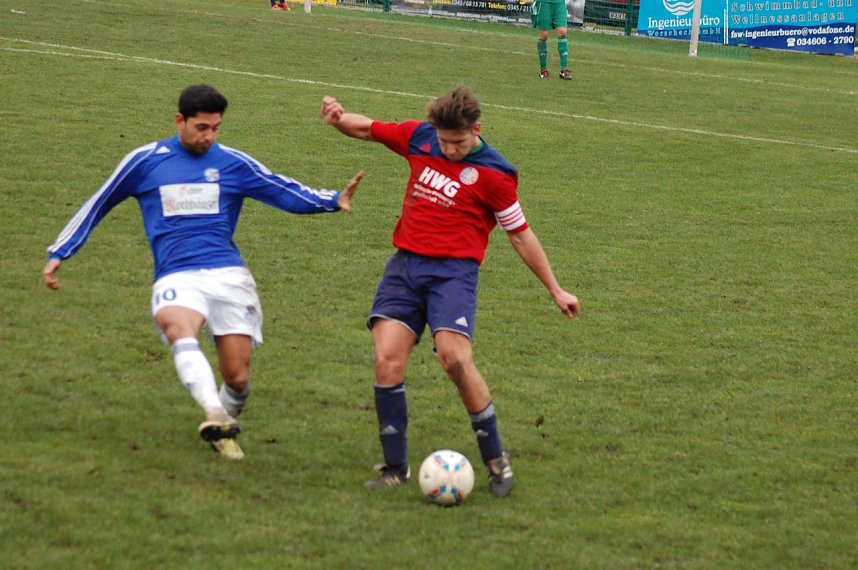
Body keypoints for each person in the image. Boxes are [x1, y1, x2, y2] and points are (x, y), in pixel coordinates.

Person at [44, 84, 363, 461]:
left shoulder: (232, 163)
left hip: (228, 276)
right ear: (180, 120)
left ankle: (222, 424)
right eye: (201, 128)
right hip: (177, 275)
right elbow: (99, 201)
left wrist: (331, 200)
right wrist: (61, 250)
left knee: (238, 380)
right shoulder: (146, 161)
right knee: (179, 328)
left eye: (215, 128)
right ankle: (212, 412)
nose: (209, 136)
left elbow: (279, 189)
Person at [320, 86, 579, 498]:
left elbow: (520, 235)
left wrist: (555, 288)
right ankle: (394, 467)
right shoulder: (421, 137)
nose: (449, 149)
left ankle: (496, 461)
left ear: (476, 130)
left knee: (455, 359)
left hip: (453, 275)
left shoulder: (496, 174)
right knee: (387, 359)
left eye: (457, 143)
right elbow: (369, 129)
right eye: (443, 142)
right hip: (405, 267)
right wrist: (338, 119)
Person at [531, 0, 571, 80]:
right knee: (544, 36)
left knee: (562, 32)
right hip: (544, 2)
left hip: (559, 3)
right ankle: (543, 70)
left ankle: (564, 70)